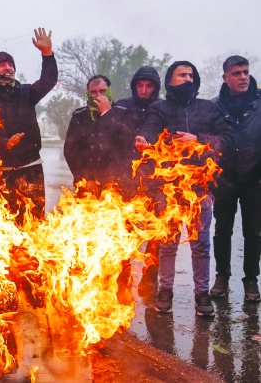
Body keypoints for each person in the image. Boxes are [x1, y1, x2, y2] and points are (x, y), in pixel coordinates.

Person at [136, 61, 231, 317]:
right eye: (182, 75)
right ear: (171, 79)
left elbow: (225, 140)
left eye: (191, 75)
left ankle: (201, 294)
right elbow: (150, 128)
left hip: (199, 186)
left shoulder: (208, 107)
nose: (187, 78)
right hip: (169, 187)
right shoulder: (160, 107)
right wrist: (144, 140)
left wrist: (199, 140)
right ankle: (165, 291)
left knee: (201, 244)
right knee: (168, 244)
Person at [63, 75, 133, 304]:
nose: (98, 95)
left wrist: (108, 113)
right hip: (87, 186)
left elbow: (126, 146)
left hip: (116, 187)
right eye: (94, 92)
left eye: (103, 90)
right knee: (87, 237)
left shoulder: (122, 113)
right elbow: (71, 150)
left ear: (110, 92)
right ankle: (89, 287)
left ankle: (121, 288)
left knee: (119, 238)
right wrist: (85, 177)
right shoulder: (79, 116)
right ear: (87, 94)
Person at [0, 27, 58, 223]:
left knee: (35, 223)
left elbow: (49, 80)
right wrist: (4, 143)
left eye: (10, 64)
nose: (8, 68)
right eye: (2, 65)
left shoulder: (27, 92)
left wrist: (47, 54)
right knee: (4, 227)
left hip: (31, 168)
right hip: (1, 173)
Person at [210, 55, 261, 302]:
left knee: (254, 232)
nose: (243, 77)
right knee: (222, 231)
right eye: (237, 73)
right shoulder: (215, 106)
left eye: (245, 72)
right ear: (225, 77)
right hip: (224, 179)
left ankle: (251, 279)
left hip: (254, 180)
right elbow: (209, 141)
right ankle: (222, 276)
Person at [114, 66, 162, 297]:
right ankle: (123, 277)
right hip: (126, 178)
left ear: (155, 87)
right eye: (140, 85)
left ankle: (150, 277)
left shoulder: (161, 108)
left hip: (154, 179)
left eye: (148, 85)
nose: (144, 90)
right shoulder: (122, 105)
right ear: (134, 86)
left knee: (155, 234)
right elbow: (110, 136)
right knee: (125, 232)